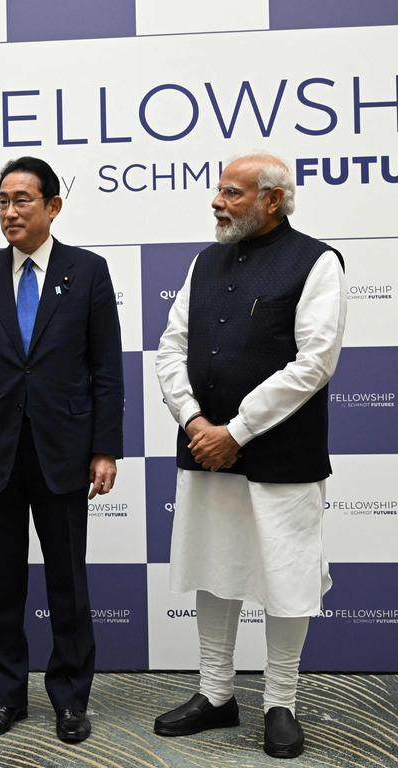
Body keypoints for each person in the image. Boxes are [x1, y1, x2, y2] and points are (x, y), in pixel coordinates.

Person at [153, 152, 346, 759]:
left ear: (271, 199)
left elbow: (314, 362)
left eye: (233, 193)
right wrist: (194, 421)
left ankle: (280, 702)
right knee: (214, 568)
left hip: (280, 456)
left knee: (286, 576)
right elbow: (169, 348)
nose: (217, 201)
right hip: (204, 447)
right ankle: (215, 694)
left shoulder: (316, 261)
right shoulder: (203, 262)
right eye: (219, 190)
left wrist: (236, 430)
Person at [0, 156, 123, 743]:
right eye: (2, 200)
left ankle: (71, 697)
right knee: (0, 581)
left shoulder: (88, 272)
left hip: (64, 449)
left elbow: (105, 370)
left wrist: (105, 449)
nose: (9, 211)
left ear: (53, 206)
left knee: (67, 580)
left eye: (22, 200)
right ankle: (8, 694)